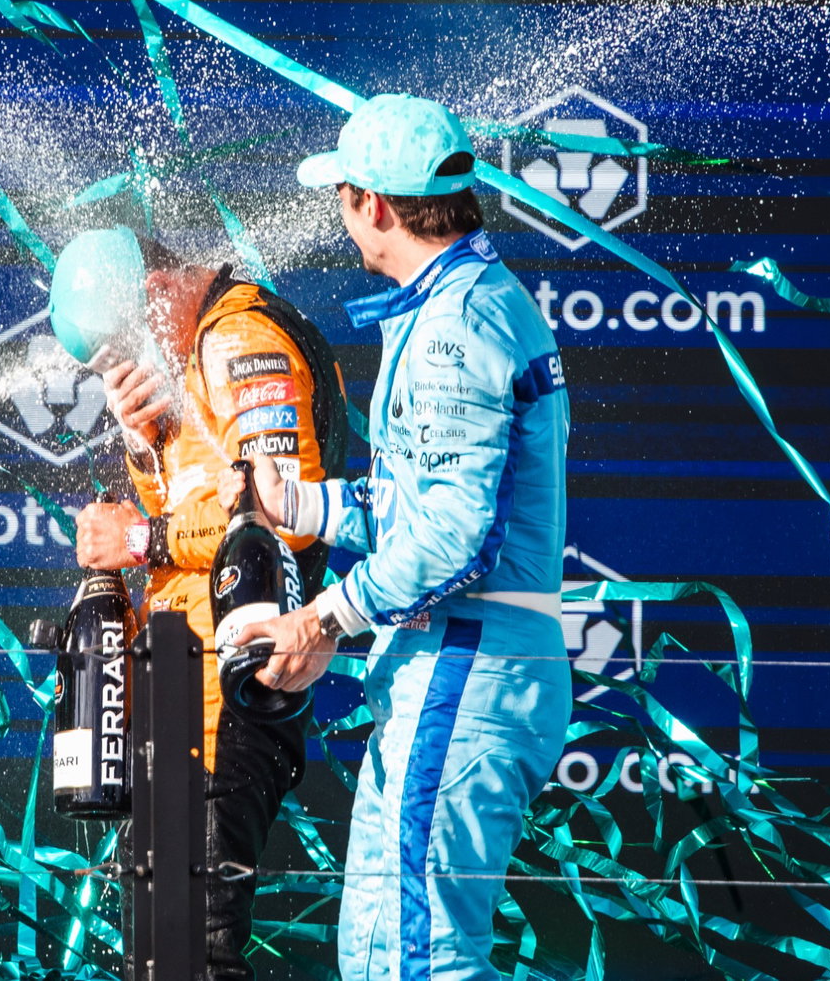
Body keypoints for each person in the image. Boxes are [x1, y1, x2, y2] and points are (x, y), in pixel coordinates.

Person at [223, 93, 572, 981]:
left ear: (373, 204)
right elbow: (421, 508)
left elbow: (456, 537)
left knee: (419, 961)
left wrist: (324, 618)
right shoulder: (460, 303)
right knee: (382, 954)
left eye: (341, 199)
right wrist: (298, 505)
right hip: (454, 662)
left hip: (467, 659)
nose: (344, 225)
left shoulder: (458, 325)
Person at [48, 225, 348, 980]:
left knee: (196, 953)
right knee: (159, 954)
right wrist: (145, 444)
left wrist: (142, 537)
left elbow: (275, 513)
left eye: (120, 350)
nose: (124, 368)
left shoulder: (240, 337)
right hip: (182, 685)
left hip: (226, 691)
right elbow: (195, 495)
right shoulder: (196, 349)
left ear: (153, 294)